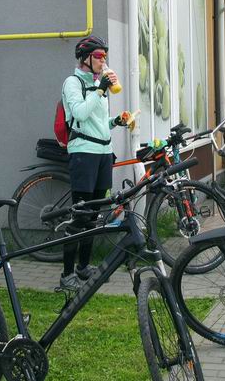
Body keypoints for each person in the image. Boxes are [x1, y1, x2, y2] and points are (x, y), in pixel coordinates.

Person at [60, 35, 133, 291]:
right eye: (99, 56)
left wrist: (116, 122)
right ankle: (67, 273)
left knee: (93, 215)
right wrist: (101, 88)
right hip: (84, 152)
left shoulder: (96, 82)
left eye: (105, 56)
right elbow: (79, 113)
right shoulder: (72, 83)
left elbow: (97, 119)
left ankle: (83, 267)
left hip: (103, 152)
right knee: (79, 215)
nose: (103, 61)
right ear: (86, 58)